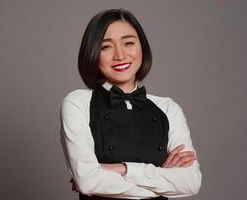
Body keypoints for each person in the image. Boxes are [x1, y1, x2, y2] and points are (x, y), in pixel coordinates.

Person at [60, 9, 201, 200]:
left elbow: (191, 182)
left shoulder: (168, 108)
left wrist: (122, 169)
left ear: (141, 47)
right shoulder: (78, 103)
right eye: (106, 47)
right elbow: (87, 181)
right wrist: (161, 185)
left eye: (128, 43)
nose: (120, 55)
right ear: (92, 52)